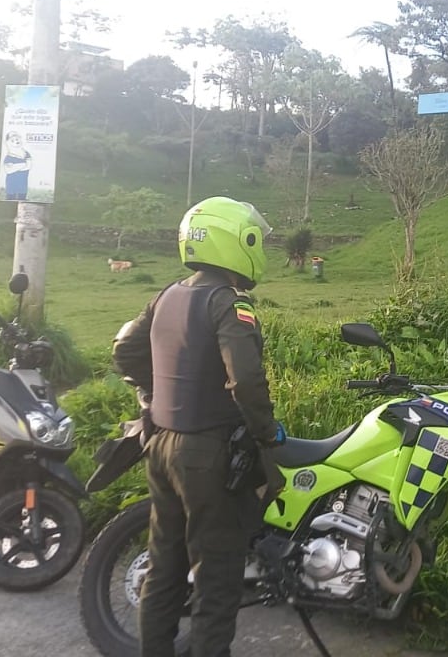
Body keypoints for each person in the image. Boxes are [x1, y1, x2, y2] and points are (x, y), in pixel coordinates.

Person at [112, 196, 287, 657]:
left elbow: (124, 350)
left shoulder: (167, 294)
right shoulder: (229, 305)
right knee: (216, 582)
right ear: (238, 242)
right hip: (207, 457)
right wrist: (268, 434)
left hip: (160, 446)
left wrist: (152, 397)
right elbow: (246, 379)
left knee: (165, 572)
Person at [0, 131, 32, 201]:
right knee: (10, 198)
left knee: (22, 197)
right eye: (13, 140)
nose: (16, 141)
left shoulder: (26, 154)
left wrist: (15, 167)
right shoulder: (9, 157)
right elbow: (8, 171)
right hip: (11, 183)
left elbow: (28, 166)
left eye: (17, 139)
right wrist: (22, 165)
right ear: (8, 143)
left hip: (23, 182)